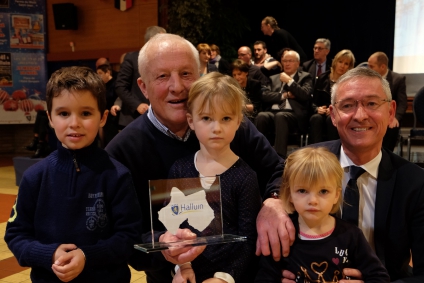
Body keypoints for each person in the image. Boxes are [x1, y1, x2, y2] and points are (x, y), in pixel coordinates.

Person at [105, 33, 284, 283]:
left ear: (200, 75)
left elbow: (279, 170)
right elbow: (122, 235)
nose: (177, 86)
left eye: (186, 74)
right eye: (162, 76)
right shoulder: (122, 152)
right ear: (143, 87)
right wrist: (162, 248)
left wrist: (274, 201)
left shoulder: (232, 127)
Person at [258, 67, 424, 282]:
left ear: (391, 111)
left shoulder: (415, 183)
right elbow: (281, 172)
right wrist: (273, 202)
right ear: (333, 115)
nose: (360, 115)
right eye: (347, 106)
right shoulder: (306, 162)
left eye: (372, 104)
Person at [5, 66, 143, 282]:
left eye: (86, 113)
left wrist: (88, 256)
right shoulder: (34, 177)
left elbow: (129, 237)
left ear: (103, 117)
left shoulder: (117, 175)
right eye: (63, 113)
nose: (74, 123)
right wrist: (48, 254)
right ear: (50, 118)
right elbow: (16, 235)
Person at [170, 72, 261, 283]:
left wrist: (224, 278)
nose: (216, 128)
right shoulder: (179, 169)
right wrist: (181, 267)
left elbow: (248, 239)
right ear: (191, 121)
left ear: (238, 121)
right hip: (187, 273)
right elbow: (172, 226)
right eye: (206, 118)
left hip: (229, 277)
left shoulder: (245, 177)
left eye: (226, 118)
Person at [255, 147, 390, 282]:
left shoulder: (351, 236)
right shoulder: (282, 234)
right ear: (289, 194)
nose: (313, 201)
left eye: (323, 191)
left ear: (336, 195)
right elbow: (264, 277)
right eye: (302, 191)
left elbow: (380, 277)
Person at [255, 50, 313, 158]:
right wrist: (283, 95)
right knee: (262, 116)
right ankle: (259, 154)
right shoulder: (274, 78)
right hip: (273, 112)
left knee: (281, 116)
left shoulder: (305, 77)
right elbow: (265, 95)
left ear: (298, 63)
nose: (287, 63)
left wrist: (290, 81)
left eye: (290, 61)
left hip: (293, 115)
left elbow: (305, 94)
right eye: (284, 60)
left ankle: (278, 157)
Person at [115, 26, 166, 129]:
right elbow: (120, 86)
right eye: (162, 40)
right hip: (134, 118)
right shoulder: (132, 58)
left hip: (159, 119)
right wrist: (137, 105)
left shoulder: (163, 61)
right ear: (151, 40)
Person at [309, 49, 355, 144]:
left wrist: (335, 110)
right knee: (315, 118)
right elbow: (313, 101)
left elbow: (351, 103)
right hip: (323, 111)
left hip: (339, 112)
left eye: (346, 64)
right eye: (340, 62)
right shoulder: (323, 78)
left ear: (349, 67)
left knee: (332, 120)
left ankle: (333, 152)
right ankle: (316, 151)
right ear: (335, 62)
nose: (342, 66)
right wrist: (317, 109)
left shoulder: (350, 82)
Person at [368, 51, 407, 152]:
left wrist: (395, 117)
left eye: (371, 66)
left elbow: (402, 103)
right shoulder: (368, 79)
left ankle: (386, 156)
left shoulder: (398, 79)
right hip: (370, 113)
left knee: (391, 125)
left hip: (388, 115)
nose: (368, 69)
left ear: (382, 67)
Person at [96, 63, 119, 148]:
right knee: (103, 141)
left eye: (100, 73)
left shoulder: (116, 84)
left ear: (108, 73)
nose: (98, 76)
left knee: (111, 140)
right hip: (104, 115)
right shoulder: (101, 85)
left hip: (113, 117)